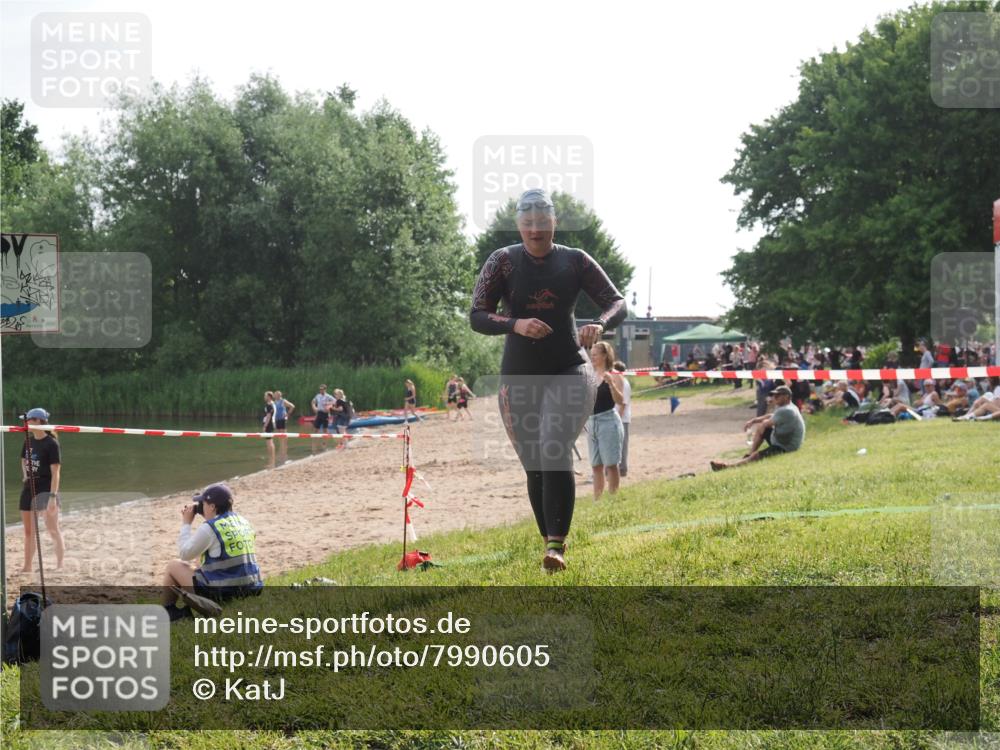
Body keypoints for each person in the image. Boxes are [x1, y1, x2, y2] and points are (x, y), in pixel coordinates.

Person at [470, 188, 626, 571]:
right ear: (519, 226)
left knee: (554, 446)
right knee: (535, 465)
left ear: (554, 223)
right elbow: (477, 315)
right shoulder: (502, 262)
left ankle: (557, 546)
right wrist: (516, 323)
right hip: (519, 376)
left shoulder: (575, 261)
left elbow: (617, 302)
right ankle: (548, 547)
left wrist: (599, 324)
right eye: (527, 224)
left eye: (542, 222)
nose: (535, 230)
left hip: (568, 368)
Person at [161, 483, 263, 621]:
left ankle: (170, 612)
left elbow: (184, 554)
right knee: (199, 562)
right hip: (251, 588)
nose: (201, 507)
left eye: (203, 503)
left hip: (224, 593)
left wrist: (186, 523)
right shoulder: (243, 521)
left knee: (173, 565)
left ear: (212, 506)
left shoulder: (210, 528)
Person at [711, 386, 804, 471]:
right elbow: (771, 415)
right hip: (783, 440)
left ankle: (727, 467)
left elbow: (767, 423)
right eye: (774, 395)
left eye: (778, 395)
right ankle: (749, 454)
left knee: (757, 455)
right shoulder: (788, 406)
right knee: (760, 428)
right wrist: (754, 420)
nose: (774, 397)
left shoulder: (786, 410)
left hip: (786, 446)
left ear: (787, 397)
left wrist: (760, 422)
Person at [19, 407, 65, 572]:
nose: (25, 423)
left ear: (38, 421)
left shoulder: (51, 444)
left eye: (28, 420)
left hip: (46, 490)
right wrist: (25, 474)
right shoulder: (28, 440)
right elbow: (24, 460)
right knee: (29, 531)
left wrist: (52, 497)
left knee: (53, 529)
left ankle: (59, 565)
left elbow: (56, 473)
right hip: (28, 488)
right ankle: (27, 566)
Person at [587, 345, 626, 499]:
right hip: (591, 422)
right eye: (591, 354)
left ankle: (613, 498)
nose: (592, 357)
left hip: (608, 421)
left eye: (595, 354)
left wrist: (611, 384)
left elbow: (620, 400)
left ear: (605, 355)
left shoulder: (614, 375)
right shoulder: (589, 375)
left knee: (611, 464)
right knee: (596, 465)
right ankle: (598, 500)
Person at [613, 361, 632, 478]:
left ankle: (622, 468)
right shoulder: (618, 382)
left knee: (622, 444)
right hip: (618, 416)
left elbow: (623, 403)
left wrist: (618, 418)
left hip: (622, 418)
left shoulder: (624, 383)